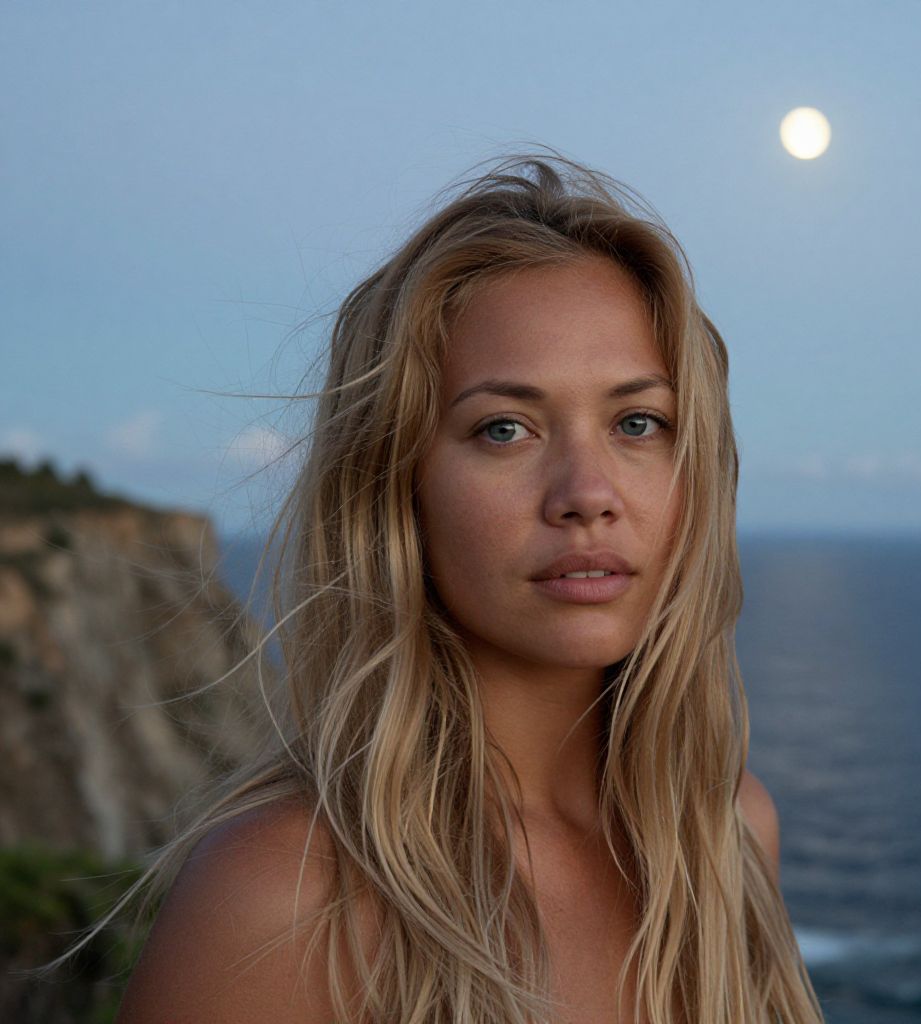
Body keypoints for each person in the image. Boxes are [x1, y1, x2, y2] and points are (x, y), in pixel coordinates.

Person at [103, 152, 823, 1023]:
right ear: (396, 483)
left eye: (639, 422)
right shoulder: (283, 898)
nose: (587, 494)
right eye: (505, 428)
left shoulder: (728, 836)